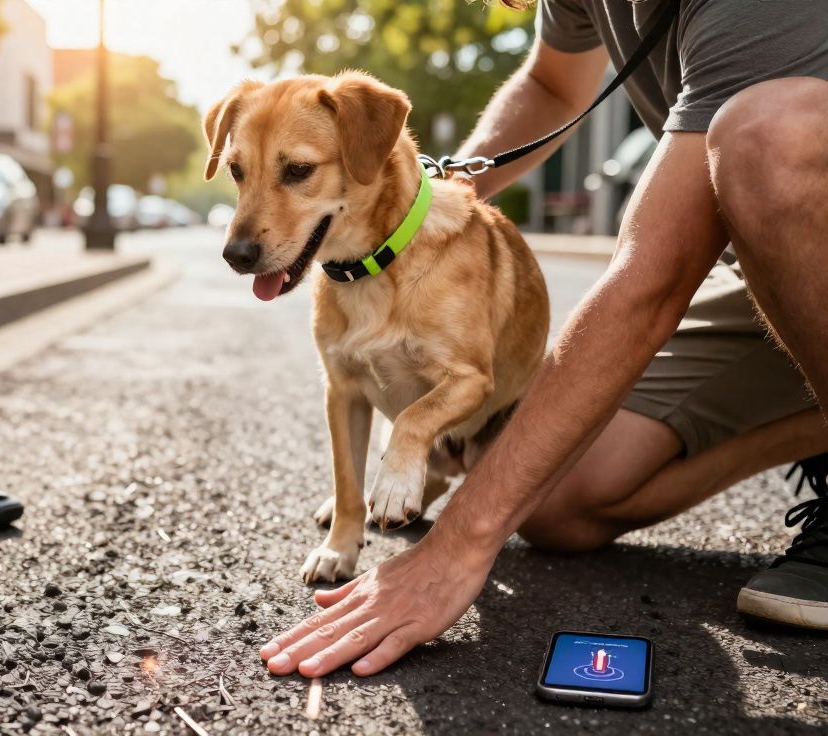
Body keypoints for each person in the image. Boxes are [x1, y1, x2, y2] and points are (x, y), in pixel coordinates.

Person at [260, 0, 828, 678]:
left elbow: (650, 281)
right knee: (551, 496)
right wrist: (434, 192)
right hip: (774, 266)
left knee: (768, 136)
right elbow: (553, 84)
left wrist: (457, 546)